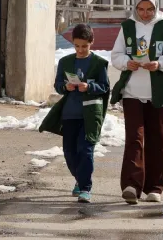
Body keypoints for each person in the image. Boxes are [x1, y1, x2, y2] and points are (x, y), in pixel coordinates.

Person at [110, 0, 163, 205]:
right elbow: (116, 55)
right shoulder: (127, 27)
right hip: (132, 92)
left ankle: (154, 187)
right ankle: (131, 185)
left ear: (156, 7)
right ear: (135, 7)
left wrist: (159, 64)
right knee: (134, 138)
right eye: (141, 9)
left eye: (149, 9)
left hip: (157, 93)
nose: (145, 13)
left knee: (156, 139)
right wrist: (126, 63)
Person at [39, 24, 110, 204]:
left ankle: (85, 188)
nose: (80, 50)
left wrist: (89, 87)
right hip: (70, 114)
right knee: (70, 152)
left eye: (84, 46)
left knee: (85, 151)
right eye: (77, 46)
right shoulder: (65, 62)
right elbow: (57, 85)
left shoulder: (99, 63)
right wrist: (66, 87)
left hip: (90, 115)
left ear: (91, 43)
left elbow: (105, 87)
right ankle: (80, 179)